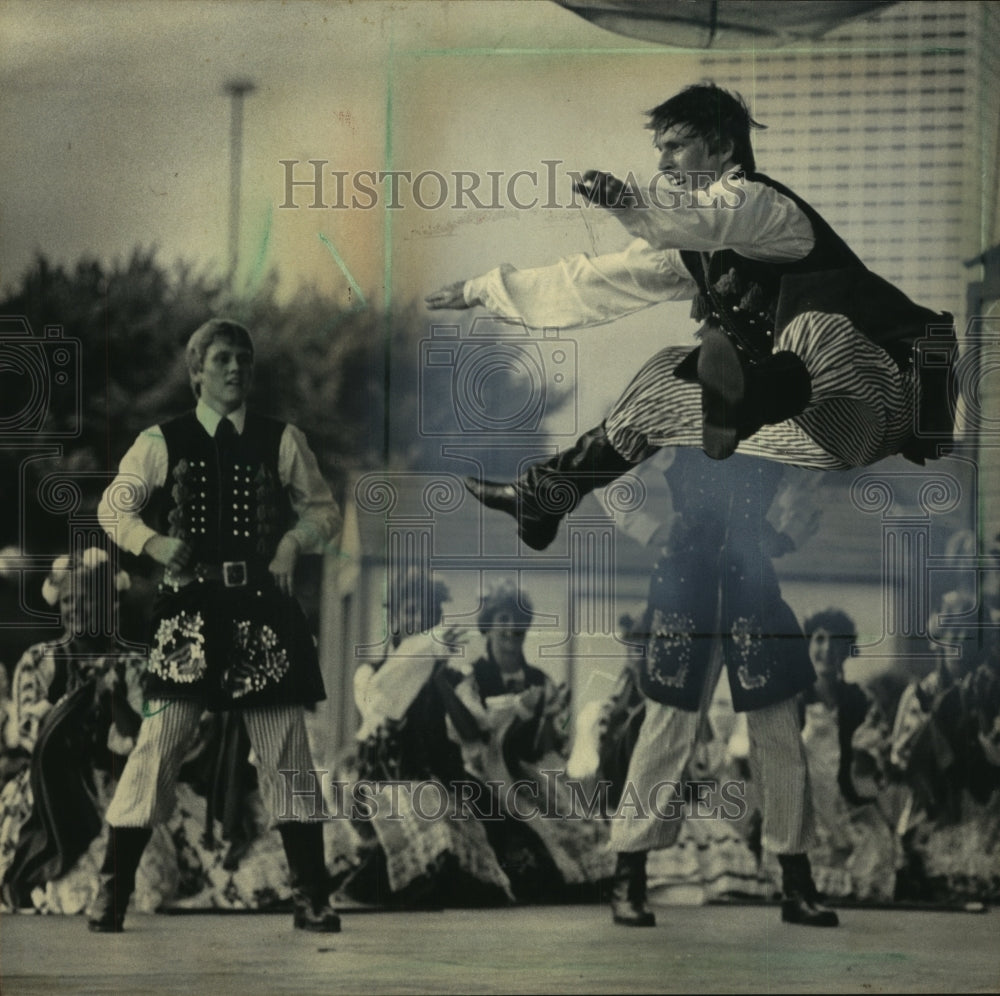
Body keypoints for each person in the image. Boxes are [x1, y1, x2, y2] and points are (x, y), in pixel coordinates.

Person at [425, 82, 955, 551]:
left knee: (814, 331)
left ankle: (742, 395)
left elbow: (709, 216)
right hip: (811, 431)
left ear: (723, 146)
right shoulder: (691, 248)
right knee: (664, 372)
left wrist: (631, 203)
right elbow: (595, 279)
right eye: (659, 151)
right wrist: (481, 290)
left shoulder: (766, 210)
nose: (663, 164)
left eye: (676, 147)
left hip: (886, 396)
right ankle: (545, 495)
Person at [92, 317, 343, 933]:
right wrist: (151, 543)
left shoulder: (282, 440)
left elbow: (324, 511)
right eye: (224, 359)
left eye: (245, 360)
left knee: (286, 750)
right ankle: (112, 890)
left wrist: (292, 542)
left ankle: (311, 895)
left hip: (261, 610)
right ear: (197, 370)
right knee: (158, 746)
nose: (237, 369)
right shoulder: (160, 440)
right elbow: (111, 508)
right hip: (188, 613)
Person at [593, 448, 838, 928]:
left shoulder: (770, 427)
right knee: (664, 733)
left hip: (753, 591)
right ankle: (629, 875)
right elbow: (609, 474)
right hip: (686, 590)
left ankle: (795, 881)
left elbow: (809, 485)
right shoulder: (679, 422)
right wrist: (652, 528)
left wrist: (786, 534)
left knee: (780, 737)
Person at [337, 569, 513, 908]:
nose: (417, 619)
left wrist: (439, 680)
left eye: (426, 612)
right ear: (395, 617)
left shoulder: (455, 675)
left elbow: (472, 733)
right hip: (385, 779)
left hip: (438, 777)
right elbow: (380, 716)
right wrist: (418, 665)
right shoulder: (371, 673)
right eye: (409, 610)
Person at [449, 581, 615, 902]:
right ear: (488, 626)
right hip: (486, 776)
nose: (512, 629)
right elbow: (470, 737)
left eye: (519, 621)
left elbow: (560, 737)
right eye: (503, 620)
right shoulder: (471, 678)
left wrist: (555, 720)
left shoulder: (541, 680)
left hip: (531, 774)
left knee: (577, 824)